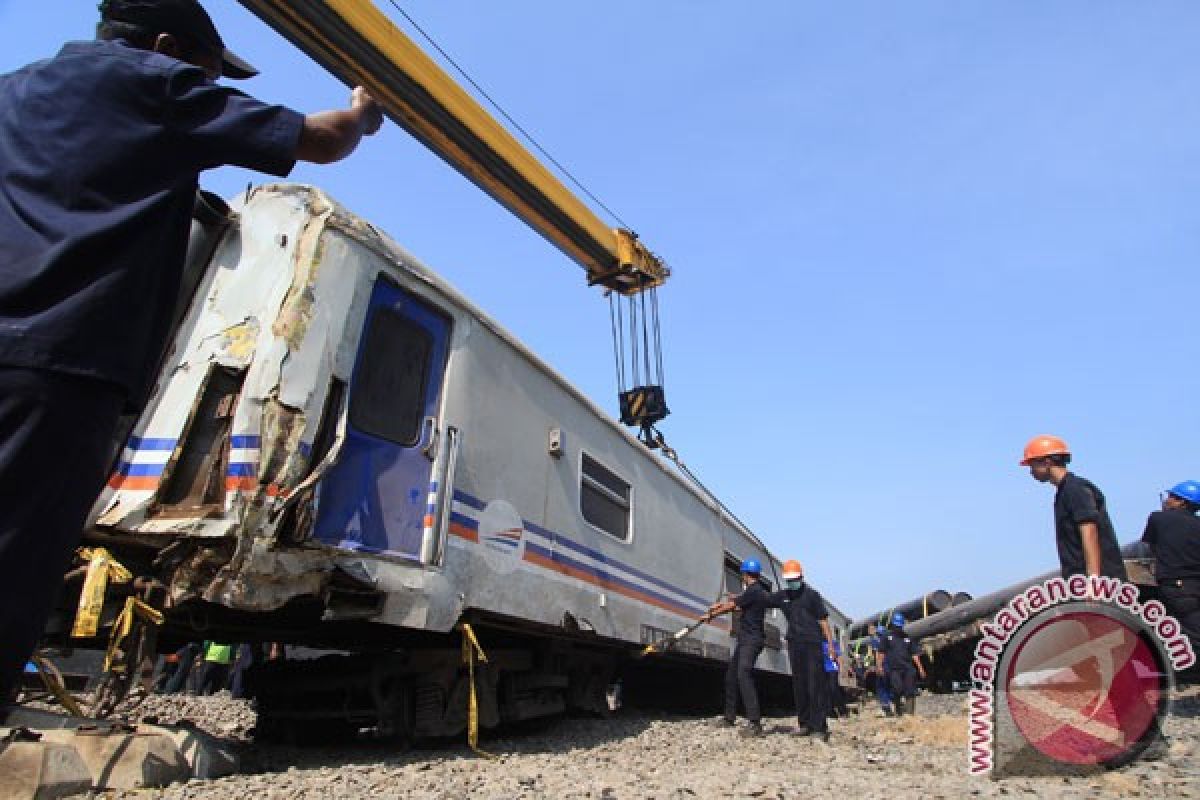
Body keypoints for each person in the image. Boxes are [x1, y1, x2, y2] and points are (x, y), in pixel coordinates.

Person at [0, 0, 384, 705]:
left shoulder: (13, 89)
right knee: (15, 563)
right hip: (57, 363)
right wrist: (362, 110)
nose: (208, 86)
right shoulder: (152, 84)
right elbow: (321, 139)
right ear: (167, 45)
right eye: (207, 72)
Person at [1020, 435, 1128, 580]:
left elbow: (1089, 530)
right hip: (1079, 579)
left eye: (1032, 465)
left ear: (1047, 462)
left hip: (1102, 582)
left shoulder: (1075, 489)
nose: (1031, 471)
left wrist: (1094, 578)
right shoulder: (1064, 492)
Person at [766, 559, 836, 741]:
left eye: (794, 579)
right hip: (794, 644)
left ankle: (819, 727)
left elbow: (823, 622)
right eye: (789, 580)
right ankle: (804, 724)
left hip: (812, 643)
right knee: (799, 685)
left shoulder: (812, 595)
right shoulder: (783, 596)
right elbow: (763, 600)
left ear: (801, 577)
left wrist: (830, 647)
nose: (792, 582)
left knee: (815, 685)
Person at [707, 559, 772, 737]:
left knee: (744, 674)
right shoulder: (753, 591)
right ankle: (729, 717)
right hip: (746, 640)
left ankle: (755, 723)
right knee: (731, 676)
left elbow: (733, 605)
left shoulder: (755, 591)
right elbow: (736, 602)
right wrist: (719, 606)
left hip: (752, 640)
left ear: (744, 574)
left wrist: (713, 614)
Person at [1142, 481, 1200, 656]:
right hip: (1195, 585)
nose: (1167, 500)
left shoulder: (1158, 518)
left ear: (1182, 501)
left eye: (1171, 497)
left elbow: (1151, 547)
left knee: (1177, 634)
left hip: (1175, 587)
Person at [875, 612, 926, 716]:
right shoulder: (887, 637)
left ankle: (910, 714)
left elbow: (914, 654)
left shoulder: (907, 638)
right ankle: (898, 711)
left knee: (910, 690)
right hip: (894, 669)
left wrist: (920, 668)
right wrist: (879, 666)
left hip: (908, 668)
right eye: (896, 626)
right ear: (893, 625)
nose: (898, 628)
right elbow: (881, 653)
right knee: (897, 689)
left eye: (899, 626)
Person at [870, 624, 895, 717]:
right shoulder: (890, 641)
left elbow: (877, 654)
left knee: (881, 687)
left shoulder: (876, 641)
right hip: (890, 666)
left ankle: (886, 707)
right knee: (890, 685)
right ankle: (896, 703)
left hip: (882, 666)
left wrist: (878, 666)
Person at [823, 638, 848, 719]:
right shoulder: (817, 642)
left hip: (832, 668)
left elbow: (839, 656)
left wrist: (842, 669)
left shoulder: (833, 642)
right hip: (822, 669)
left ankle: (843, 710)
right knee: (826, 690)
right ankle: (831, 712)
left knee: (834, 689)